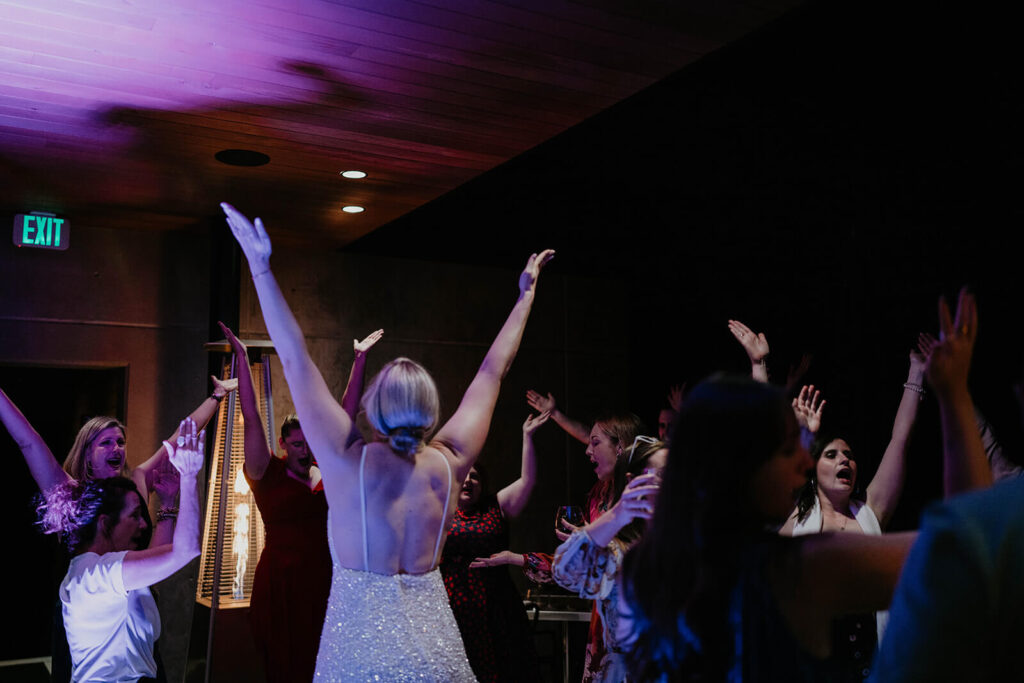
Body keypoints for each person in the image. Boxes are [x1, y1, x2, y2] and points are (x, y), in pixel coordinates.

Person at [222, 202, 553, 681]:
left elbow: (295, 360)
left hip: (358, 654)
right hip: (437, 651)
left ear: (372, 408)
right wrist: (525, 297)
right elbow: (492, 371)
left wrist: (261, 268)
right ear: (430, 409)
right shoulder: (450, 461)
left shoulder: (344, 460)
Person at [618, 374, 916, 682]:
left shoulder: (640, 569)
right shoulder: (799, 565)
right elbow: (944, 551)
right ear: (743, 466)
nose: (805, 461)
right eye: (788, 450)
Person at [1, 377, 234, 682]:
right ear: (87, 452)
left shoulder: (134, 485)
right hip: (93, 615)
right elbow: (28, 441)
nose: (117, 448)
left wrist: (216, 397)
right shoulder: (71, 495)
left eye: (121, 442)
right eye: (106, 442)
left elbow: (179, 439)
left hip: (137, 604)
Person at [221, 322, 381, 683]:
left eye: (309, 442)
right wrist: (242, 359)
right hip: (281, 583)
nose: (305, 449)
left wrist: (359, 360)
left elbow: (344, 415)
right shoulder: (267, 472)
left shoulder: (323, 468)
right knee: (284, 665)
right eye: (297, 444)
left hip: (323, 579)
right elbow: (250, 418)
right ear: (282, 444)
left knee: (323, 665)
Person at [871, 288, 1003, 681]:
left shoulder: (867, 514)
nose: (845, 459)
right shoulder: (799, 533)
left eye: (847, 453)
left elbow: (901, 440)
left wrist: (944, 386)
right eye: (829, 453)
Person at [476, 409, 645, 682]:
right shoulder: (599, 496)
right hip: (603, 631)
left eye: (595, 442)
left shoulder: (642, 496)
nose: (587, 451)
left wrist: (594, 543)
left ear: (621, 446)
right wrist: (517, 558)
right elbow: (576, 569)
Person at [37, 418, 203, 683]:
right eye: (106, 442)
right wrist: (190, 474)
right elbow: (183, 551)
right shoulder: (98, 570)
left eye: (121, 442)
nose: (141, 525)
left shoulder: (130, 492)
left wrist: (169, 502)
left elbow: (164, 558)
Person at [439, 411, 549, 682]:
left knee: (504, 670)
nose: (468, 480)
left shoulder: (495, 505)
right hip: (454, 610)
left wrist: (527, 437)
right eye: (463, 475)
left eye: (474, 476)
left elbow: (527, 482)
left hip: (496, 608)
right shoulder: (439, 511)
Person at [551, 437, 666, 682]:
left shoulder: (696, 545)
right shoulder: (617, 551)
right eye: (665, 474)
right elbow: (564, 571)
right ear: (633, 482)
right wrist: (618, 514)